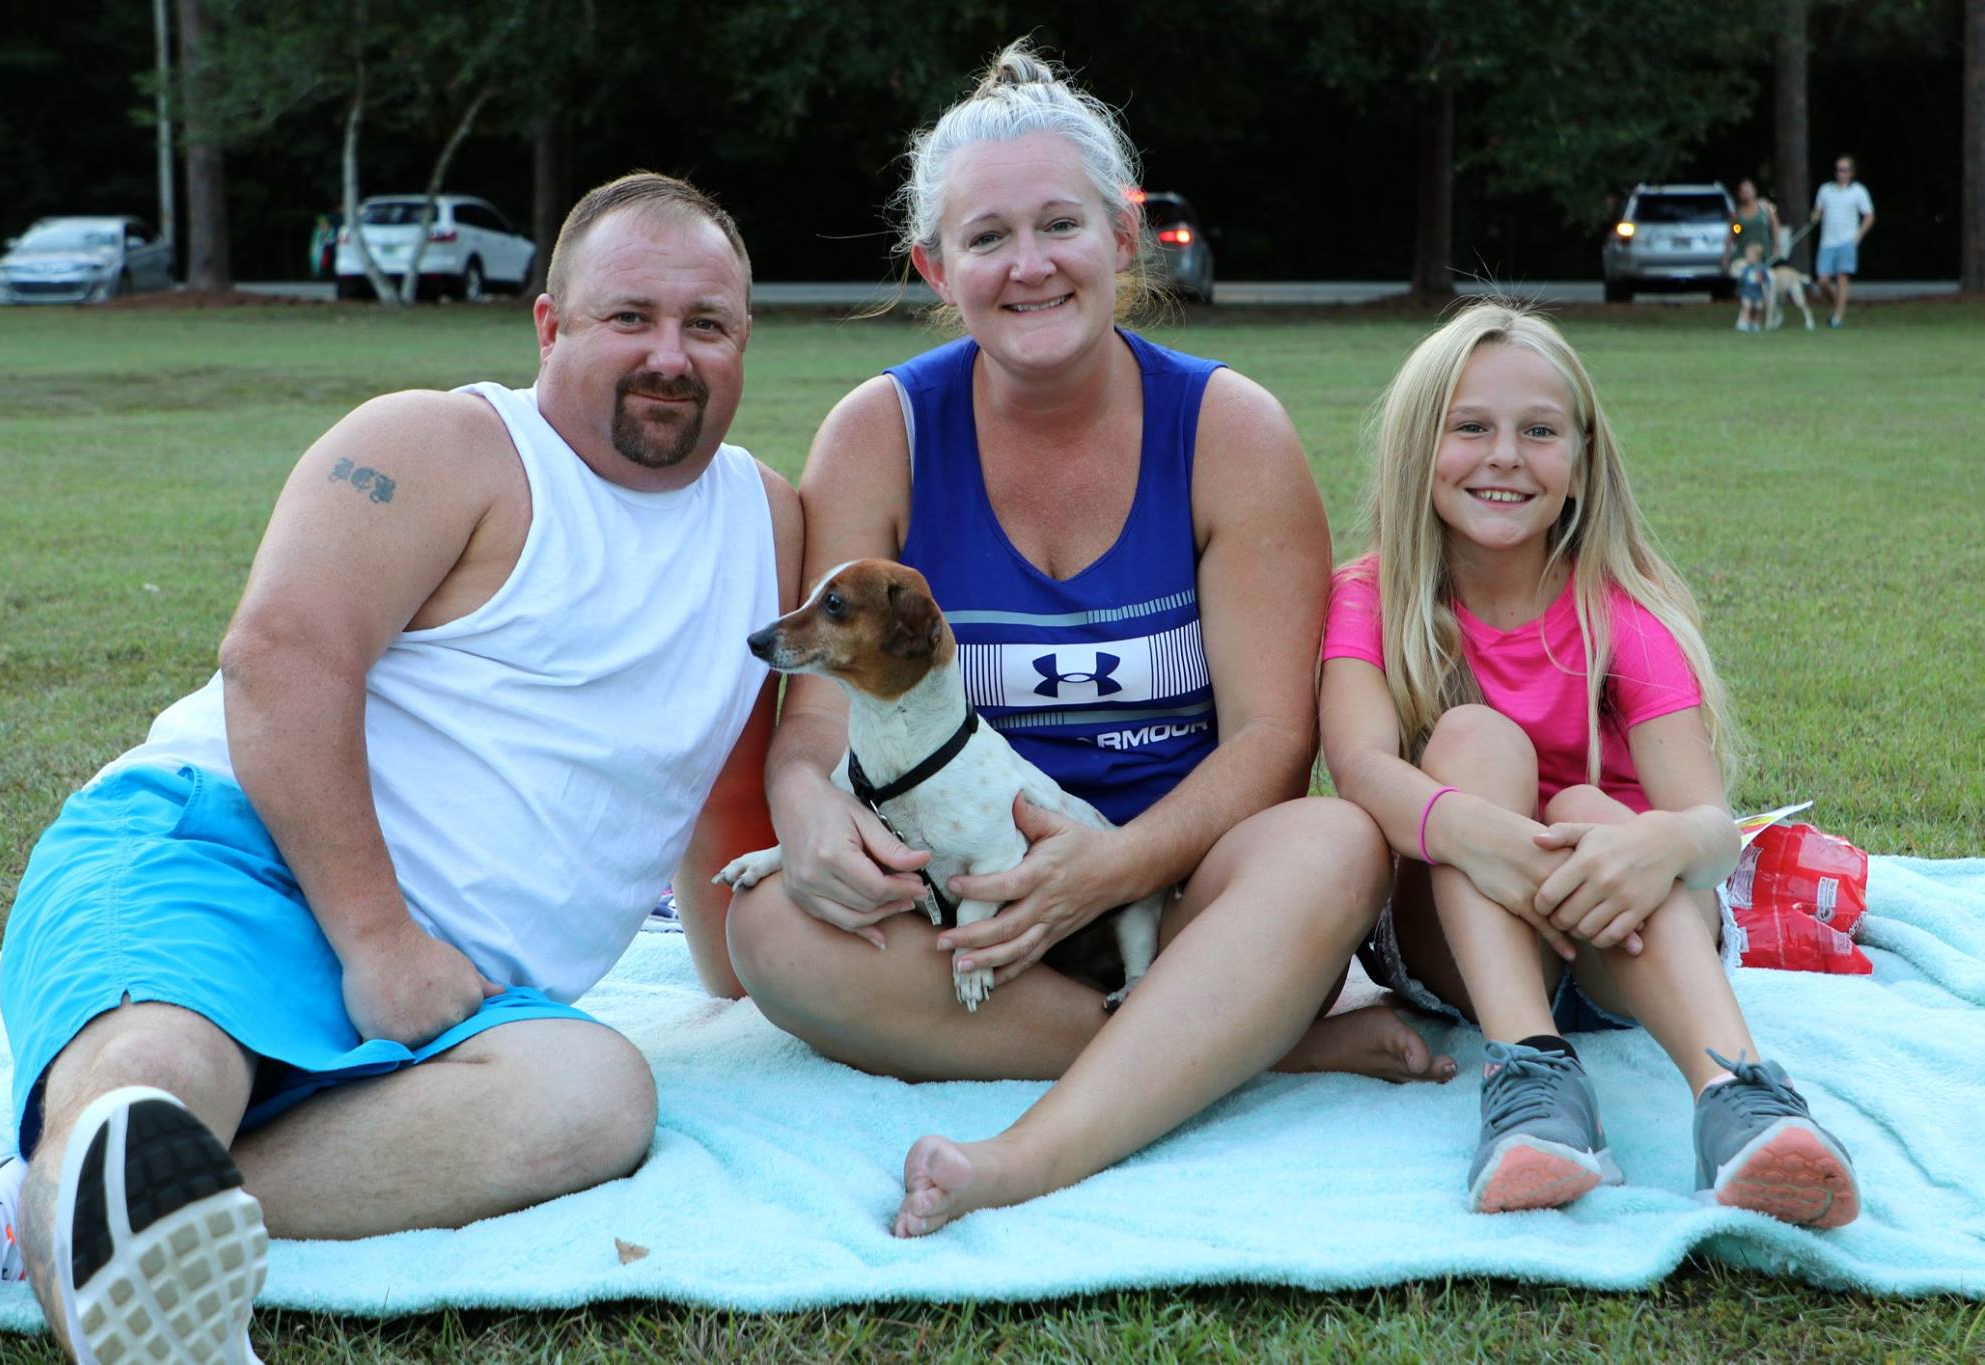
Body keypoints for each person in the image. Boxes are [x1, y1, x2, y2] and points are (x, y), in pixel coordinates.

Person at [0, 172, 800, 1360]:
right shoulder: (445, 446)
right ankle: (113, 1197)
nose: (669, 355)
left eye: (705, 325)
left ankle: (64, 1207)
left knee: (598, 1100)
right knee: (165, 1065)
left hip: (459, 1003)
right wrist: (377, 939)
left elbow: (720, 767)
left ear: (745, 338)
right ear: (548, 325)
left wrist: (728, 980)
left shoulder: (765, 521)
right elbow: (280, 660)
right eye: (628, 318)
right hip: (227, 858)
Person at [724, 42, 1455, 1242]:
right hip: (959, 920)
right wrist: (808, 825)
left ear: (1122, 237)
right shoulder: (881, 431)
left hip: (1173, 901)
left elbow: (1274, 744)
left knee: (1329, 843)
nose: (1027, 267)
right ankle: (1236, 1051)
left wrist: (1107, 872)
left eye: (1058, 225)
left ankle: (1028, 1154)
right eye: (986, 238)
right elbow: (812, 728)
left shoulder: (1228, 430)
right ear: (933, 266)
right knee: (768, 930)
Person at [1317, 301, 1860, 1226]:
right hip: (1457, 935)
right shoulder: (1372, 597)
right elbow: (1360, 764)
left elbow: (1710, 830)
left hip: (1629, 939)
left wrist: (1646, 850)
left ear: (1579, 464)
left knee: (1595, 807)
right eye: (1471, 427)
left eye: (1539, 432)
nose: (1505, 456)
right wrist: (1475, 830)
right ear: (1418, 446)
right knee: (1474, 739)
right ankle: (1530, 1081)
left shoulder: (1621, 614)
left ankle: (1742, 1097)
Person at [1810, 155, 1874, 328]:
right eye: (1838, 169)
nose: (1841, 173)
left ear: (1852, 172)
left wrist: (1858, 236)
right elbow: (1818, 211)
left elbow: (1869, 215)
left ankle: (1837, 317)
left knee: (1842, 279)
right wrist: (1815, 216)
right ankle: (1835, 306)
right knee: (1822, 280)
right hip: (1827, 242)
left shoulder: (1858, 191)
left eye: (1844, 170)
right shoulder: (1825, 190)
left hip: (1847, 241)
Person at [1721, 178, 1781, 272]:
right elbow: (1734, 233)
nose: (1746, 194)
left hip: (1764, 254)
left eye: (1748, 190)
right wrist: (1726, 258)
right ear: (1739, 194)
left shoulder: (1765, 207)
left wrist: (1776, 244)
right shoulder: (1737, 214)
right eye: (1743, 191)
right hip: (1744, 256)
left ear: (1754, 191)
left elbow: (1775, 225)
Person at [1732, 242, 1772, 333]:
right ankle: (1744, 323)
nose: (1748, 258)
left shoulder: (1761, 268)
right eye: (1747, 256)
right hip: (1746, 292)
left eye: (1750, 256)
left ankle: (1756, 323)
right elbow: (1742, 279)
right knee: (1747, 307)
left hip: (1757, 293)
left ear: (1757, 257)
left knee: (1759, 307)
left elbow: (1767, 279)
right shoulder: (1746, 269)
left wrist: (1768, 286)